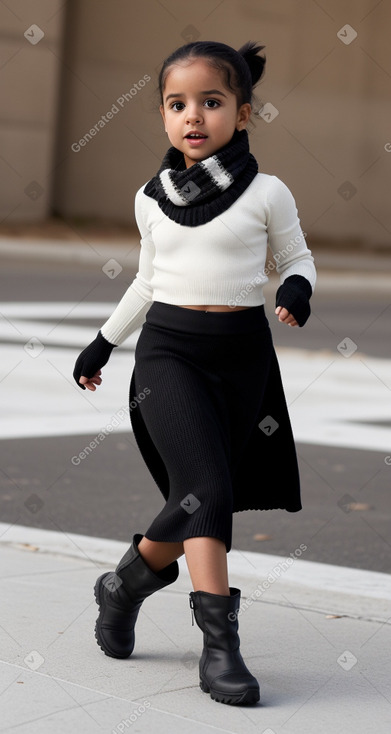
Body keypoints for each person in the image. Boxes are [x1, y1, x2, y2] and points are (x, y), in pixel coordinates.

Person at [73, 39, 316, 707]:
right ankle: (220, 647)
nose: (193, 116)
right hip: (168, 357)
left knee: (193, 503)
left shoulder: (266, 192)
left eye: (211, 102)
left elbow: (297, 257)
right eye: (177, 104)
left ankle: (121, 585)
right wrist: (102, 343)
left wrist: (296, 288)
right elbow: (148, 282)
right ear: (161, 114)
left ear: (242, 114)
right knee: (205, 490)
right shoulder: (151, 199)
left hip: (241, 362)